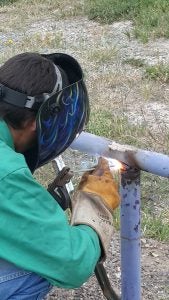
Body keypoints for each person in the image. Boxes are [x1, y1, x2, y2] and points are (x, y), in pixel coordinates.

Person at [0, 52, 120, 299]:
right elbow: (70, 262)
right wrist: (95, 205)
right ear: (36, 121)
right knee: (36, 267)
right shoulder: (6, 171)